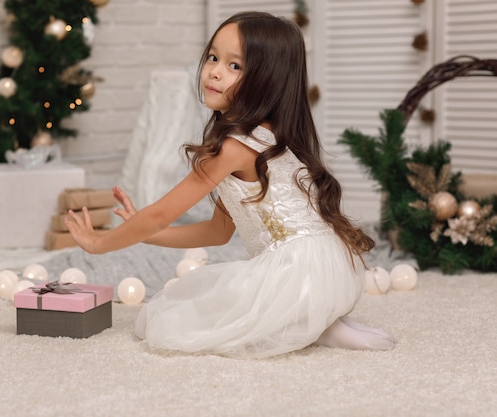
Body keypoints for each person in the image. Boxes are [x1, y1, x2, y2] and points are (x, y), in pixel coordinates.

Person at [65, 11, 395, 359]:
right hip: (332, 269)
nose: (215, 71)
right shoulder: (264, 138)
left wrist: (99, 243)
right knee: (200, 300)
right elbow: (218, 232)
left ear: (266, 80)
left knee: (177, 317)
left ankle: (307, 318)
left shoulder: (233, 149)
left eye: (235, 66)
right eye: (213, 57)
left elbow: (160, 214)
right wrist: (139, 230)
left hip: (297, 272)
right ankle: (315, 317)